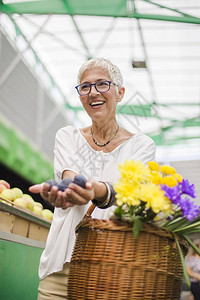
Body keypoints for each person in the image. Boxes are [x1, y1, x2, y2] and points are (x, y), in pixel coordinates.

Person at [29, 57, 156, 299]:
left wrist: (97, 191)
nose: (93, 92)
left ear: (120, 93)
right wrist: (65, 192)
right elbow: (70, 177)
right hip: (61, 267)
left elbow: (128, 192)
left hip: (111, 269)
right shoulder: (68, 136)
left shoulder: (141, 146)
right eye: (85, 87)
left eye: (102, 84)